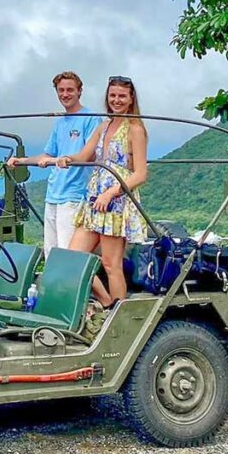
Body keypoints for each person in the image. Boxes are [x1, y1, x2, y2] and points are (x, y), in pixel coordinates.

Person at [56, 76, 148, 306]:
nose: (116, 100)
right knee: (73, 258)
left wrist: (111, 193)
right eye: (113, 95)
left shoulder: (135, 129)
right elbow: (85, 155)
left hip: (115, 200)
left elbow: (140, 173)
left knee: (110, 264)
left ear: (130, 99)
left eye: (121, 96)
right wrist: (68, 158)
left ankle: (119, 315)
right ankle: (108, 303)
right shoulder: (104, 125)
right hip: (94, 197)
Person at [6, 71, 101, 257]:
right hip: (53, 194)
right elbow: (48, 155)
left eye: (70, 90)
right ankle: (52, 286)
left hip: (74, 195)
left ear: (79, 91)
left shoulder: (91, 118)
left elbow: (89, 156)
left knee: (67, 254)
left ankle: (74, 286)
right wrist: (22, 161)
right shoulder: (60, 122)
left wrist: (63, 160)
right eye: (61, 90)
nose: (65, 94)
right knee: (51, 252)